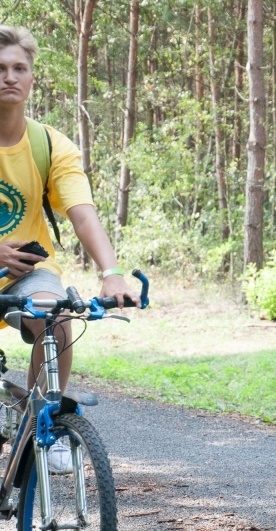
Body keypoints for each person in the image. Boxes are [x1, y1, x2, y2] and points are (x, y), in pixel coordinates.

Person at [0, 25, 140, 471]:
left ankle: (44, 424)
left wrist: (111, 273)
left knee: (56, 318)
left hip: (24, 273)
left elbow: (82, 213)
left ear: (31, 77)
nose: (9, 77)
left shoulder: (49, 145)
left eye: (19, 68)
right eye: (0, 68)